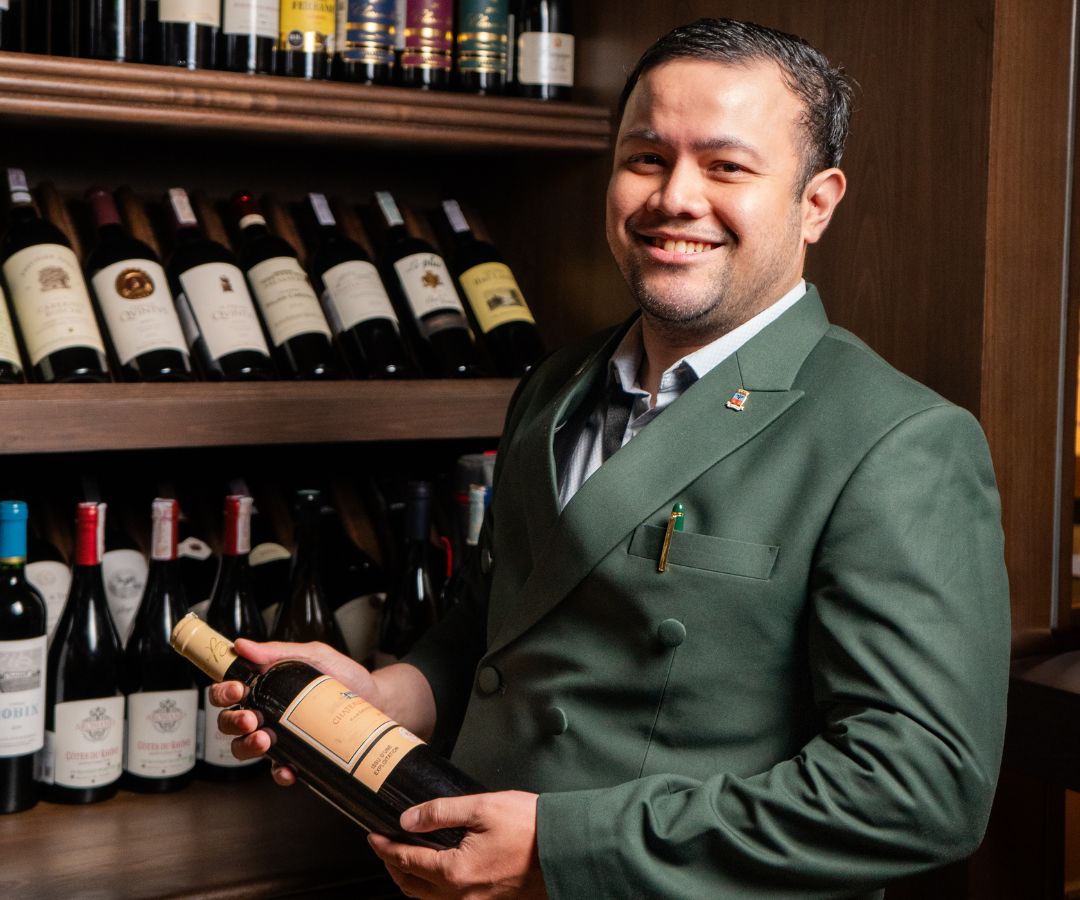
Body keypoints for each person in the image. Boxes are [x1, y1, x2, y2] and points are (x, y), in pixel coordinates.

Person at [213, 17, 1011, 899]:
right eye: (646, 158)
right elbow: (502, 623)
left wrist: (561, 849)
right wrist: (392, 694)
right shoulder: (554, 385)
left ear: (816, 203)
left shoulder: (901, 440)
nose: (675, 197)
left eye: (726, 166)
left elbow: (920, 789)